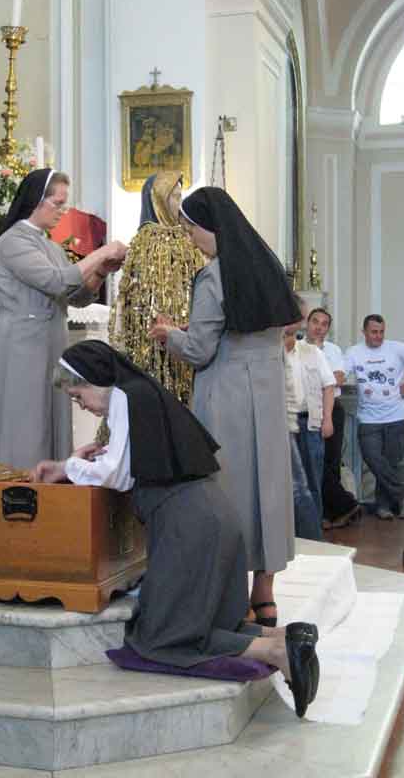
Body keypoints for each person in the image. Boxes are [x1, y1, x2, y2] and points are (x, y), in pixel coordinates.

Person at [32, 340, 320, 719]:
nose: (80, 404)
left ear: (94, 378)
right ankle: (289, 636)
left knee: (161, 637)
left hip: (188, 525)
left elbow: (116, 475)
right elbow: (130, 464)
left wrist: (66, 466)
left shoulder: (125, 396)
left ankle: (277, 652)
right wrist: (78, 465)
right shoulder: (142, 393)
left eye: (78, 394)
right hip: (213, 514)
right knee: (210, 621)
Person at [148, 187, 302, 628]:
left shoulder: (213, 275)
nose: (191, 237)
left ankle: (233, 598)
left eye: (192, 228)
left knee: (229, 491)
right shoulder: (266, 265)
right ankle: (265, 595)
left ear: (211, 226)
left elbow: (199, 351)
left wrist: (168, 334)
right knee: (269, 489)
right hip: (267, 391)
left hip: (228, 392)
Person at [0, 168, 127, 468]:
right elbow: (56, 281)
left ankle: (51, 485)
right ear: (37, 200)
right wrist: (100, 254)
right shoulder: (13, 242)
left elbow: (77, 296)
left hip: (50, 343)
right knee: (24, 424)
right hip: (22, 345)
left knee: (52, 422)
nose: (62, 211)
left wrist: (100, 272)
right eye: (57, 203)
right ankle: (18, 483)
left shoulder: (50, 246)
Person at [109, 171, 204, 403]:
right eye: (175, 197)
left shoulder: (187, 238)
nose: (179, 204)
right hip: (151, 337)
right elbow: (134, 294)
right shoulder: (144, 242)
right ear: (158, 199)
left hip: (186, 334)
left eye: (180, 197)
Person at [344, 314, 404, 520]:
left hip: (396, 417)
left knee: (389, 464)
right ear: (364, 332)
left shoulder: (396, 348)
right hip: (368, 419)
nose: (378, 336)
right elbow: (340, 373)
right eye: (374, 332)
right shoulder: (354, 352)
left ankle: (383, 506)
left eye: (381, 332)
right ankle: (402, 493)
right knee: (373, 459)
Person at [306, 308, 363, 529]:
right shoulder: (298, 347)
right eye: (315, 322)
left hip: (332, 409)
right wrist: (324, 378)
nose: (319, 327)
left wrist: (316, 379)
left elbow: (338, 378)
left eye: (324, 324)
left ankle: (335, 512)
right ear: (307, 323)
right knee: (314, 462)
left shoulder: (332, 349)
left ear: (328, 328)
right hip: (309, 409)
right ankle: (342, 507)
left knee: (331, 461)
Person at [284, 303, 336, 540]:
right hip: (282, 424)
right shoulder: (270, 353)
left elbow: (329, 386)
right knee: (287, 483)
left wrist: (327, 419)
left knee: (312, 480)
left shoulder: (312, 352)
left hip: (309, 423)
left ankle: (314, 538)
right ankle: (290, 536)